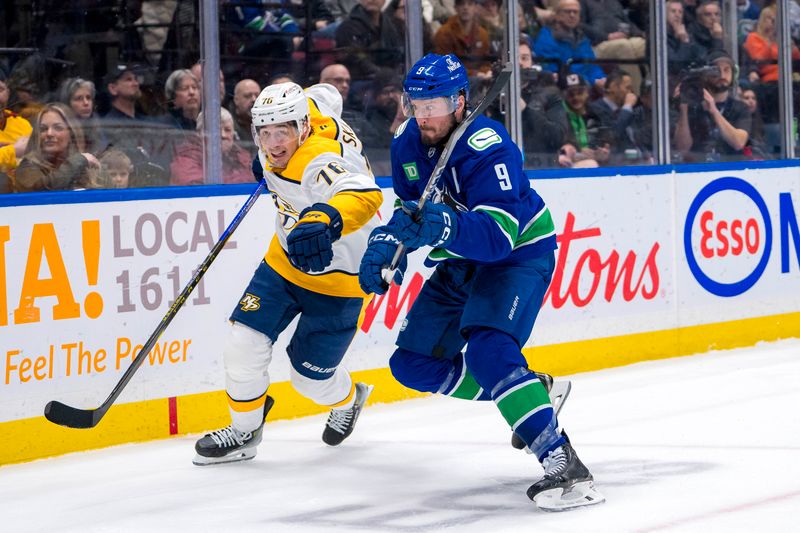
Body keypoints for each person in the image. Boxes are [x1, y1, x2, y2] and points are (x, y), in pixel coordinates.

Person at [357, 53, 604, 511]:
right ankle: (532, 391)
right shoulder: (405, 143)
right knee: (411, 364)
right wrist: (388, 242)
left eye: (436, 105)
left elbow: (497, 238)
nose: (425, 116)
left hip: (516, 256)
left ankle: (564, 464)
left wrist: (442, 225)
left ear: (460, 101)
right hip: (460, 258)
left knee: (491, 351)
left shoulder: (490, 146)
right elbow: (411, 210)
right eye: (417, 104)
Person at [194, 81, 382, 465]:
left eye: (283, 133)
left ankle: (349, 399)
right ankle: (245, 432)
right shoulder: (309, 108)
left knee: (310, 381)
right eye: (265, 133)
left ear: (304, 128)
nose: (274, 144)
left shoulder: (317, 161)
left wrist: (326, 215)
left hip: (339, 279)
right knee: (242, 343)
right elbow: (327, 91)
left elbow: (364, 194)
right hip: (283, 263)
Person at [674, 49, 752, 161]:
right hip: (697, 169)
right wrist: (683, 108)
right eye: (716, 70)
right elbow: (682, 148)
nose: (722, 75)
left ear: (733, 75)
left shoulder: (741, 108)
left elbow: (739, 143)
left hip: (731, 169)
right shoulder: (692, 107)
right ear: (705, 75)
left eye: (727, 70)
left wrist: (714, 111)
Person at [14, 103, 100, 193]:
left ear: (71, 133)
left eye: (58, 128)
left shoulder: (87, 163)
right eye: (43, 129)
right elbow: (40, 190)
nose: (49, 133)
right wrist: (78, 161)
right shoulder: (27, 166)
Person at [170, 107, 253, 185]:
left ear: (233, 135)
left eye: (227, 130)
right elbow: (196, 186)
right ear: (200, 133)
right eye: (216, 130)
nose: (223, 135)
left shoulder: (242, 157)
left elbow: (253, 181)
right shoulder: (186, 156)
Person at [533, 0, 607, 88]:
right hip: (564, 88)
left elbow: (592, 65)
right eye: (567, 11)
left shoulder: (582, 37)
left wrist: (600, 79)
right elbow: (552, 71)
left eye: (575, 12)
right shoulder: (546, 37)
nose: (572, 15)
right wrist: (589, 81)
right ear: (557, 15)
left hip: (586, 86)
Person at [58, 77, 109, 154]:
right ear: (67, 103)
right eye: (79, 98)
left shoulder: (97, 126)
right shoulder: (60, 129)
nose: (86, 103)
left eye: (88, 98)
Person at [230, 79, 261, 157]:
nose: (254, 99)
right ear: (236, 100)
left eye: (257, 96)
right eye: (248, 96)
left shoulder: (268, 122)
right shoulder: (226, 123)